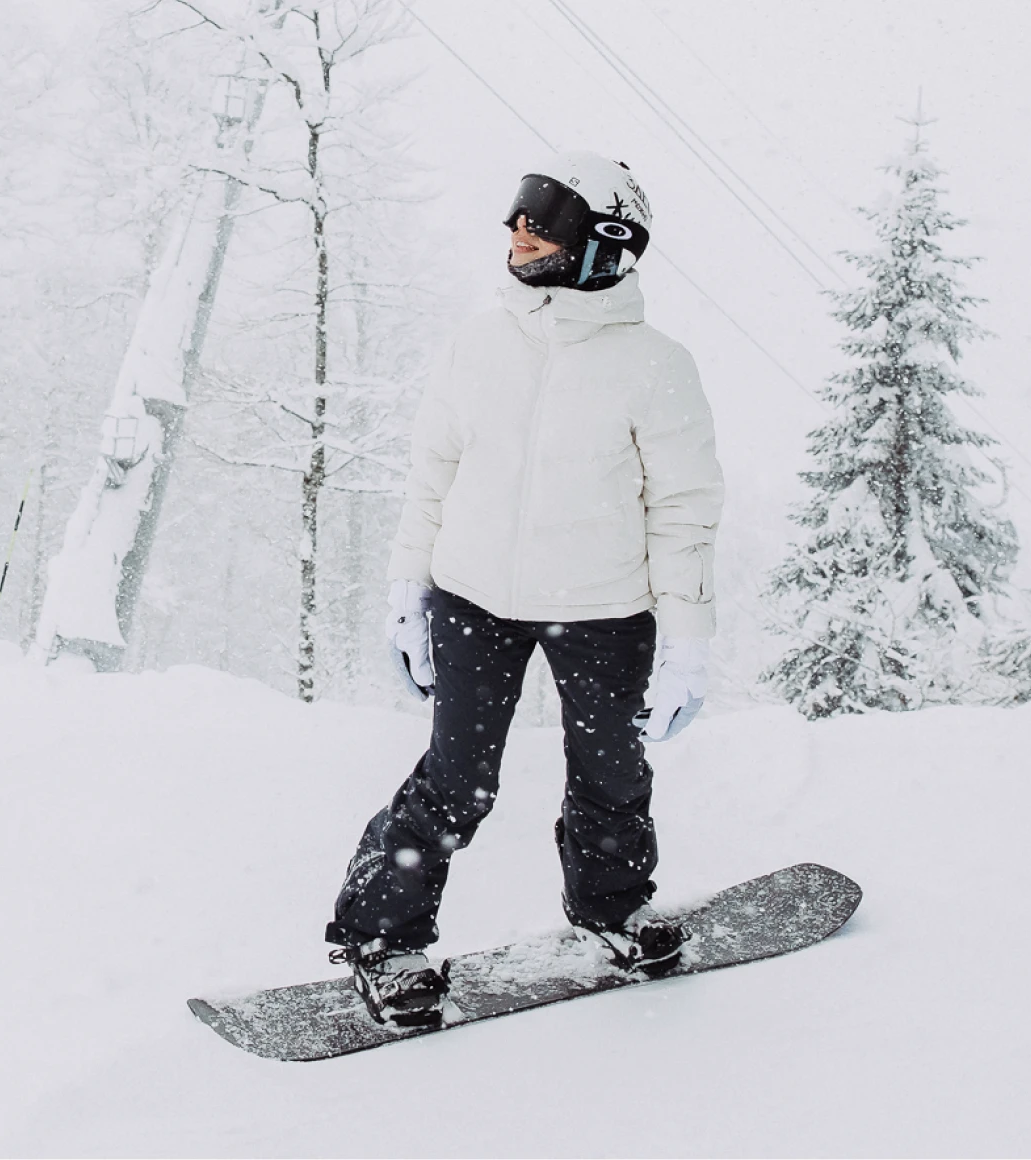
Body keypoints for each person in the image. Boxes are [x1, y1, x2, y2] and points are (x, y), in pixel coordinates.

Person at [324, 150, 725, 1027]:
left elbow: (685, 511)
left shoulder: (656, 365)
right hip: (474, 598)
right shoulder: (479, 342)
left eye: (539, 220)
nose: (516, 231)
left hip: (604, 610)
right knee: (456, 779)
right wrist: (409, 587)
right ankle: (383, 941)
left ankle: (613, 911)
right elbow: (432, 470)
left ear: (598, 244)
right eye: (516, 215)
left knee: (612, 775)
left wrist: (689, 636)